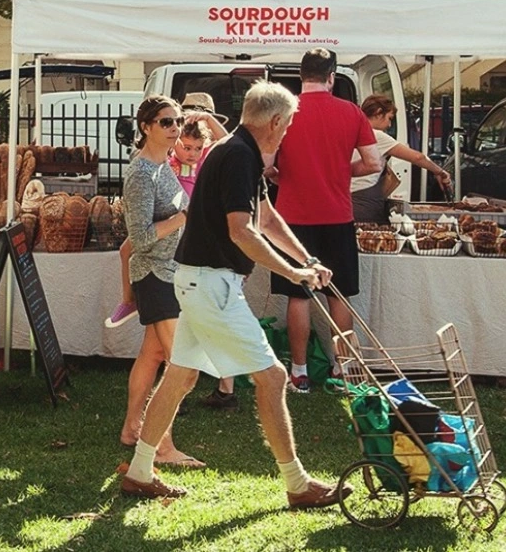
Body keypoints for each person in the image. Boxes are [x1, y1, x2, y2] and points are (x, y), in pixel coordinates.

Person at [119, 81, 353, 510]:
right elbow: (241, 229)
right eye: (289, 125)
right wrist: (291, 272)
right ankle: (297, 484)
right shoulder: (239, 155)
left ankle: (138, 472)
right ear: (276, 122)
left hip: (198, 280)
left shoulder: (236, 151)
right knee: (273, 377)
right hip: (210, 283)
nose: (287, 133)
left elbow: (266, 218)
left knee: (180, 377)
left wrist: (307, 260)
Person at [269, 48, 380, 394]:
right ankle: (343, 371)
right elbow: (374, 163)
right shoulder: (351, 112)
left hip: (292, 220)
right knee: (339, 296)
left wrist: (284, 176)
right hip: (337, 215)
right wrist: (340, 171)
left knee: (298, 296)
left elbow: (266, 165)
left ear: (301, 76)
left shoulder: (283, 114)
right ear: (331, 77)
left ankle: (299, 372)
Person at [117, 95, 204, 469]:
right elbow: (139, 236)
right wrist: (185, 217)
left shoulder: (161, 165)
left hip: (168, 272)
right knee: (183, 368)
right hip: (155, 274)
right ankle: (162, 447)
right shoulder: (140, 174)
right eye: (166, 122)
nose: (174, 129)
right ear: (146, 127)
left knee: (152, 356)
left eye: (178, 122)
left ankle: (131, 428)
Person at [351, 94, 452, 223]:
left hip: (349, 197)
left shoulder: (352, 130)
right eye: (389, 118)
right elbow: (417, 157)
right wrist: (440, 172)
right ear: (378, 113)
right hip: (365, 201)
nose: (389, 124)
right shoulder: (376, 135)